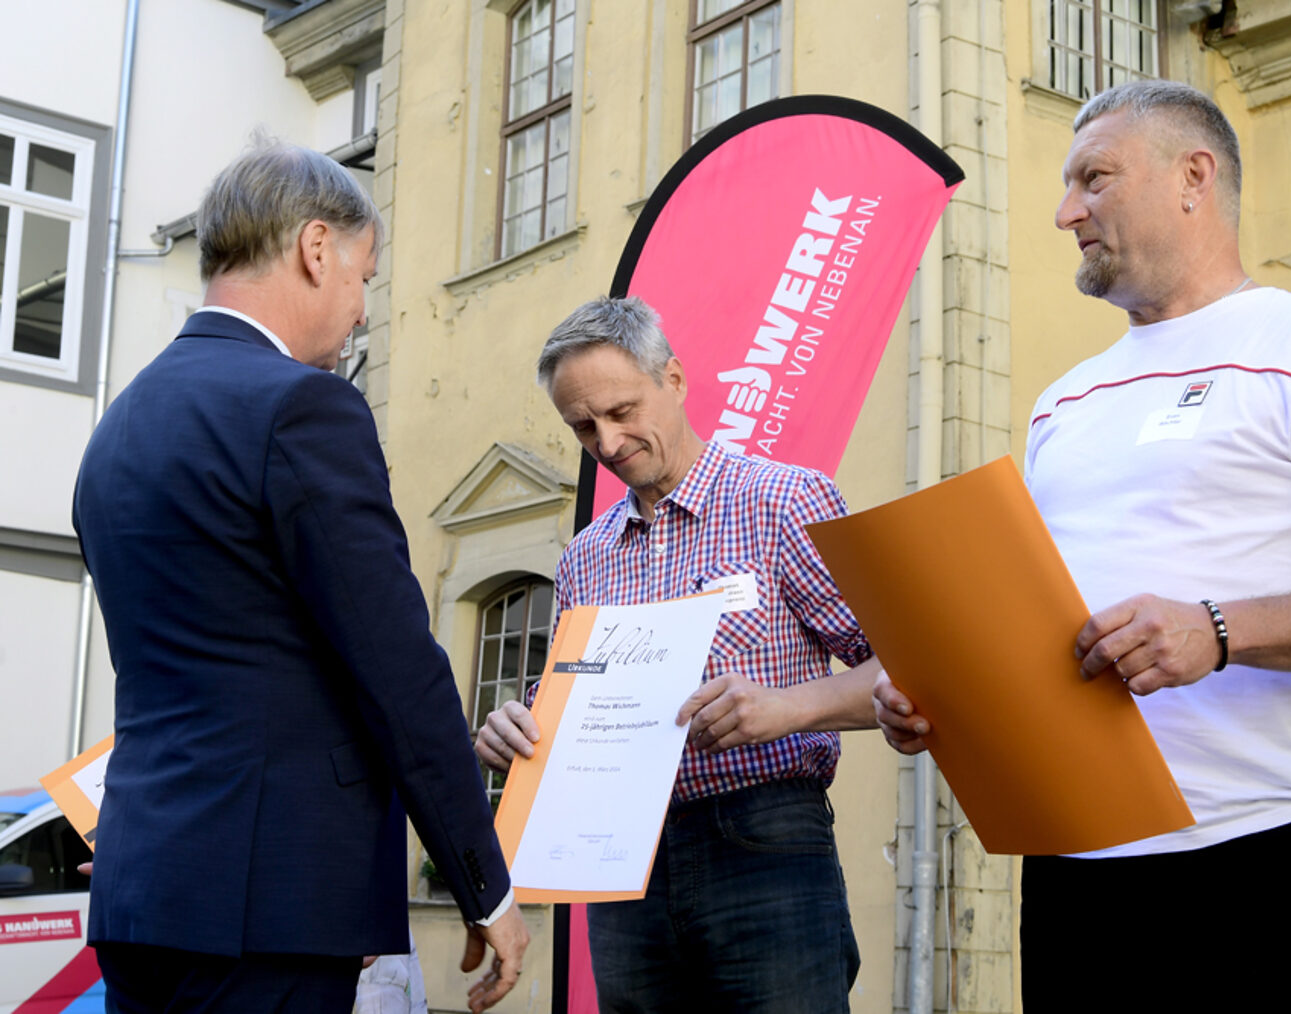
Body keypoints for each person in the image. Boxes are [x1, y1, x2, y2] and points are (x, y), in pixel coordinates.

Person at [873, 80, 1291, 1010]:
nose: (1066, 211)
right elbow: (1045, 628)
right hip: (1073, 870)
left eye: (1093, 178)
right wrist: (936, 694)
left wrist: (1217, 629)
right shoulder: (1063, 401)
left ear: (1194, 177)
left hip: (1258, 865)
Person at [72, 141, 529, 1014]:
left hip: (140, 894)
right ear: (317, 250)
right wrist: (486, 887)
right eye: (364, 278)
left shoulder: (116, 430)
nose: (361, 312)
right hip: (269, 908)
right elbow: (397, 669)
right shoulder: (303, 406)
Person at [474, 296, 880, 1013]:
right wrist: (519, 732)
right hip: (620, 865)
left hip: (766, 842)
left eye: (622, 409)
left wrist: (790, 708)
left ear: (677, 380)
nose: (606, 440)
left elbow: (911, 665)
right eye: (582, 426)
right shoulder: (585, 558)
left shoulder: (784, 502)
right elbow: (570, 713)